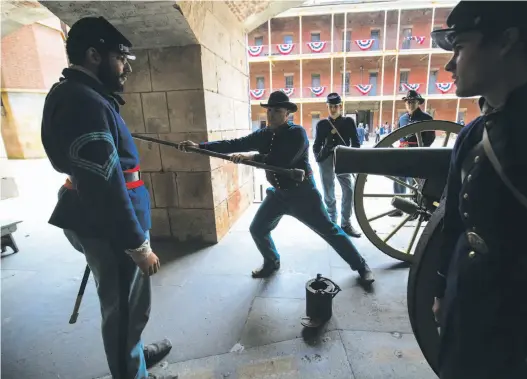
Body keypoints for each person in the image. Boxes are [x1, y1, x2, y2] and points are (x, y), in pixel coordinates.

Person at [430, 2, 527, 378]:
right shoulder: (478, 131)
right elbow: (456, 221)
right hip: (471, 313)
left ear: (506, 40)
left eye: (459, 46)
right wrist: (444, 291)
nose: (450, 63)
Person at [41, 17, 175, 379]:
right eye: (120, 57)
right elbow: (104, 184)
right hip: (112, 226)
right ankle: (130, 369)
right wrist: (136, 244)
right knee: (123, 312)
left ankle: (134, 355)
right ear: (93, 55)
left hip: (99, 218)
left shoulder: (75, 93)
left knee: (128, 307)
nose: (126, 66)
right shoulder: (84, 102)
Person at [178, 91, 374, 284]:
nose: (271, 114)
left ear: (287, 113)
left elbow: (281, 160)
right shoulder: (264, 134)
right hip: (278, 195)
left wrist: (252, 158)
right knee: (258, 228)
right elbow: (234, 143)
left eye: (277, 111)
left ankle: (361, 265)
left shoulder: (297, 133)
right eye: (269, 110)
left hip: (303, 194)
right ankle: (272, 261)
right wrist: (199, 147)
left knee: (330, 231)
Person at [313, 93, 362, 238]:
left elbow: (356, 143)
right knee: (328, 190)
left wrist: (353, 160)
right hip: (326, 159)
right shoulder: (322, 124)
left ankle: (345, 223)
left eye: (336, 106)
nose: (333, 109)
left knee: (348, 190)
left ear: (340, 106)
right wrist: (319, 157)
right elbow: (316, 146)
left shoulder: (348, 122)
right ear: (327, 106)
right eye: (330, 106)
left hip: (343, 158)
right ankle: (332, 221)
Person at [390, 90, 434, 216]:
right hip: (403, 152)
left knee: (413, 183)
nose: (410, 104)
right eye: (408, 102)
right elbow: (399, 135)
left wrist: (422, 149)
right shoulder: (402, 119)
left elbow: (431, 137)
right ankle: (399, 207)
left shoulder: (426, 118)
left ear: (418, 103)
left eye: (413, 101)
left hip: (417, 153)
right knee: (399, 180)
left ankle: (413, 210)